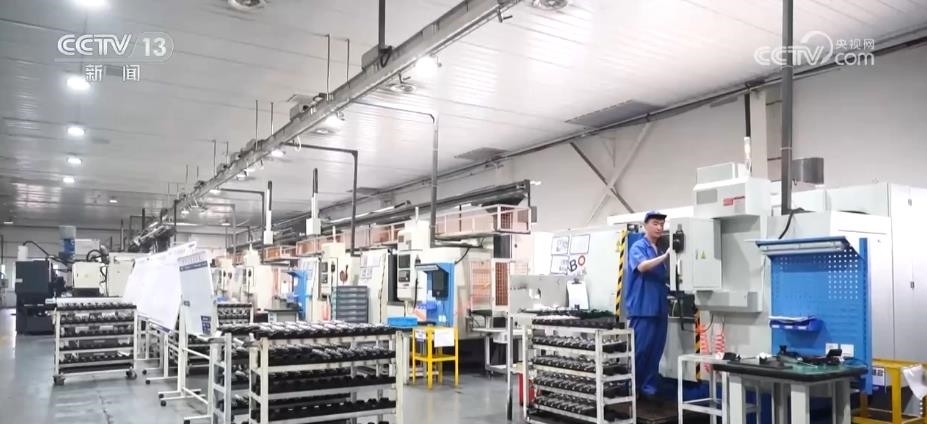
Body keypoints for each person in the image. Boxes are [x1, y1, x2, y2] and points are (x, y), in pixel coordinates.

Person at [626, 210, 670, 399]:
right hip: (643, 308)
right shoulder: (638, 247)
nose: (659, 227)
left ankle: (648, 389)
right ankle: (632, 388)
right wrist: (665, 257)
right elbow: (642, 266)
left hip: (659, 308)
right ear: (645, 225)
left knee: (656, 351)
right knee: (640, 350)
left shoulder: (658, 250)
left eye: (662, 224)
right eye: (655, 223)